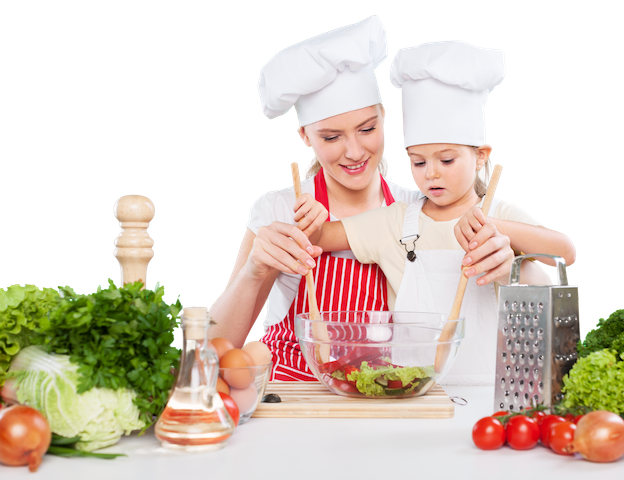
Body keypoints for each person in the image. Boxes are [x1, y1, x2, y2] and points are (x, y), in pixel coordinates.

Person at [206, 14, 495, 381]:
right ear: (305, 137)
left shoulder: (417, 211)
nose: (355, 151)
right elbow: (214, 349)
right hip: (295, 401)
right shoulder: (278, 210)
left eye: (367, 128)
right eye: (331, 137)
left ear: (384, 119)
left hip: (382, 396)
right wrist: (255, 271)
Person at [305, 40, 577, 385]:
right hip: (412, 387)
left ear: (480, 155)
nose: (430, 173)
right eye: (418, 161)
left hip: (492, 386)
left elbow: (565, 253)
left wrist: (494, 227)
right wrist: (310, 215)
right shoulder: (394, 221)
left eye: (446, 160)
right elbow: (320, 238)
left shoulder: (499, 214)